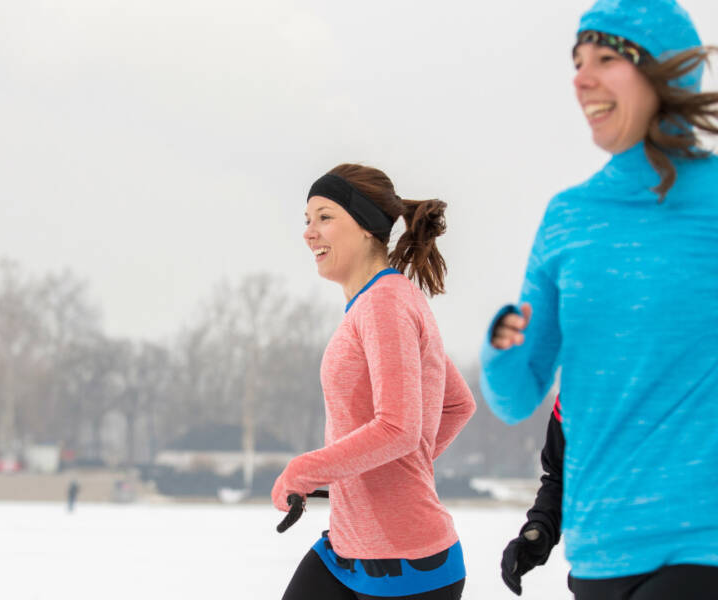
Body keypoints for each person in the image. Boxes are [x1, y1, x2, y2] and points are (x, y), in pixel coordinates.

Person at [480, 1, 718, 598]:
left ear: (662, 72)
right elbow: (517, 398)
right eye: (577, 61)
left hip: (702, 547)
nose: (581, 78)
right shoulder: (570, 218)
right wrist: (503, 348)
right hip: (598, 557)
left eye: (606, 58)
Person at [273, 164, 476, 600]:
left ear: (365, 227)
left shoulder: (386, 304)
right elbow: (457, 404)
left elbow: (399, 428)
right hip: (347, 553)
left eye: (325, 217)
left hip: (409, 565)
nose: (310, 233)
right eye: (307, 221)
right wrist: (371, 470)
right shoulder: (382, 301)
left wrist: (305, 470)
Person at [500, 396, 564, 596]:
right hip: (594, 571)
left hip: (659, 565)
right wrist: (539, 529)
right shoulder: (575, 390)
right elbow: (560, 477)